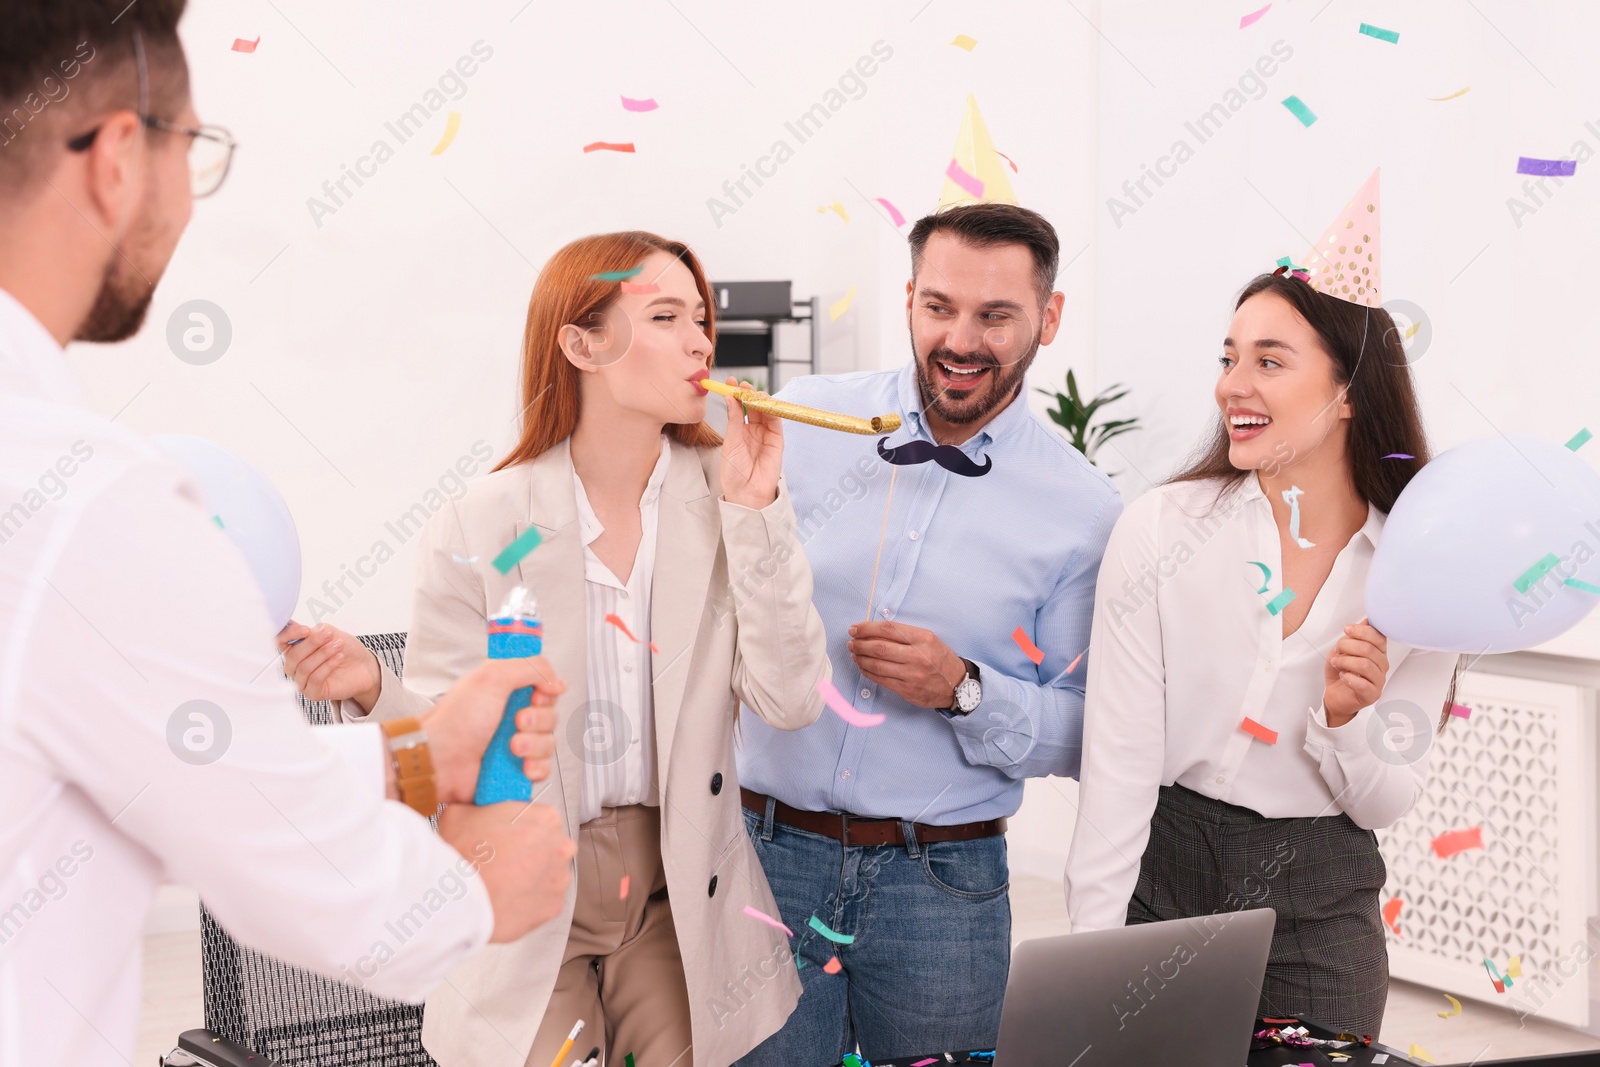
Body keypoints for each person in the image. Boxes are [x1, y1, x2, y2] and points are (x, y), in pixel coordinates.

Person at [0, 4, 577, 1064]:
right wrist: (486, 882)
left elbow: (150, 762)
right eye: (194, 151)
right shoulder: (90, 504)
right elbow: (318, 890)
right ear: (119, 158)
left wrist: (417, 749)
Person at [279, 230, 832, 1067]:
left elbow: (791, 699)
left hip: (674, 882)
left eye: (702, 318)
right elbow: (453, 753)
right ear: (580, 342)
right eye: (665, 315)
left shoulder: (729, 498)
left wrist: (758, 510)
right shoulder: (483, 524)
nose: (700, 341)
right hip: (532, 874)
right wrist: (370, 686)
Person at [731, 203, 1123, 1066]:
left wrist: (965, 689)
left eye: (996, 315)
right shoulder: (798, 421)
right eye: (940, 306)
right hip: (767, 857)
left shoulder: (1086, 511)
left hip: (942, 887)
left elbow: (1090, 727)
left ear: (1048, 319)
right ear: (908, 298)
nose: (961, 338)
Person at [1064, 266, 1460, 1037]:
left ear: (1350, 390)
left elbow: (1384, 802)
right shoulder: (1160, 531)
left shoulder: (1420, 573)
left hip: (1320, 910)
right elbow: (1119, 763)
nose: (1231, 385)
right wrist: (1091, 963)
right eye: (1229, 357)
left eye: (1269, 361)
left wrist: (1347, 718)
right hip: (1163, 878)